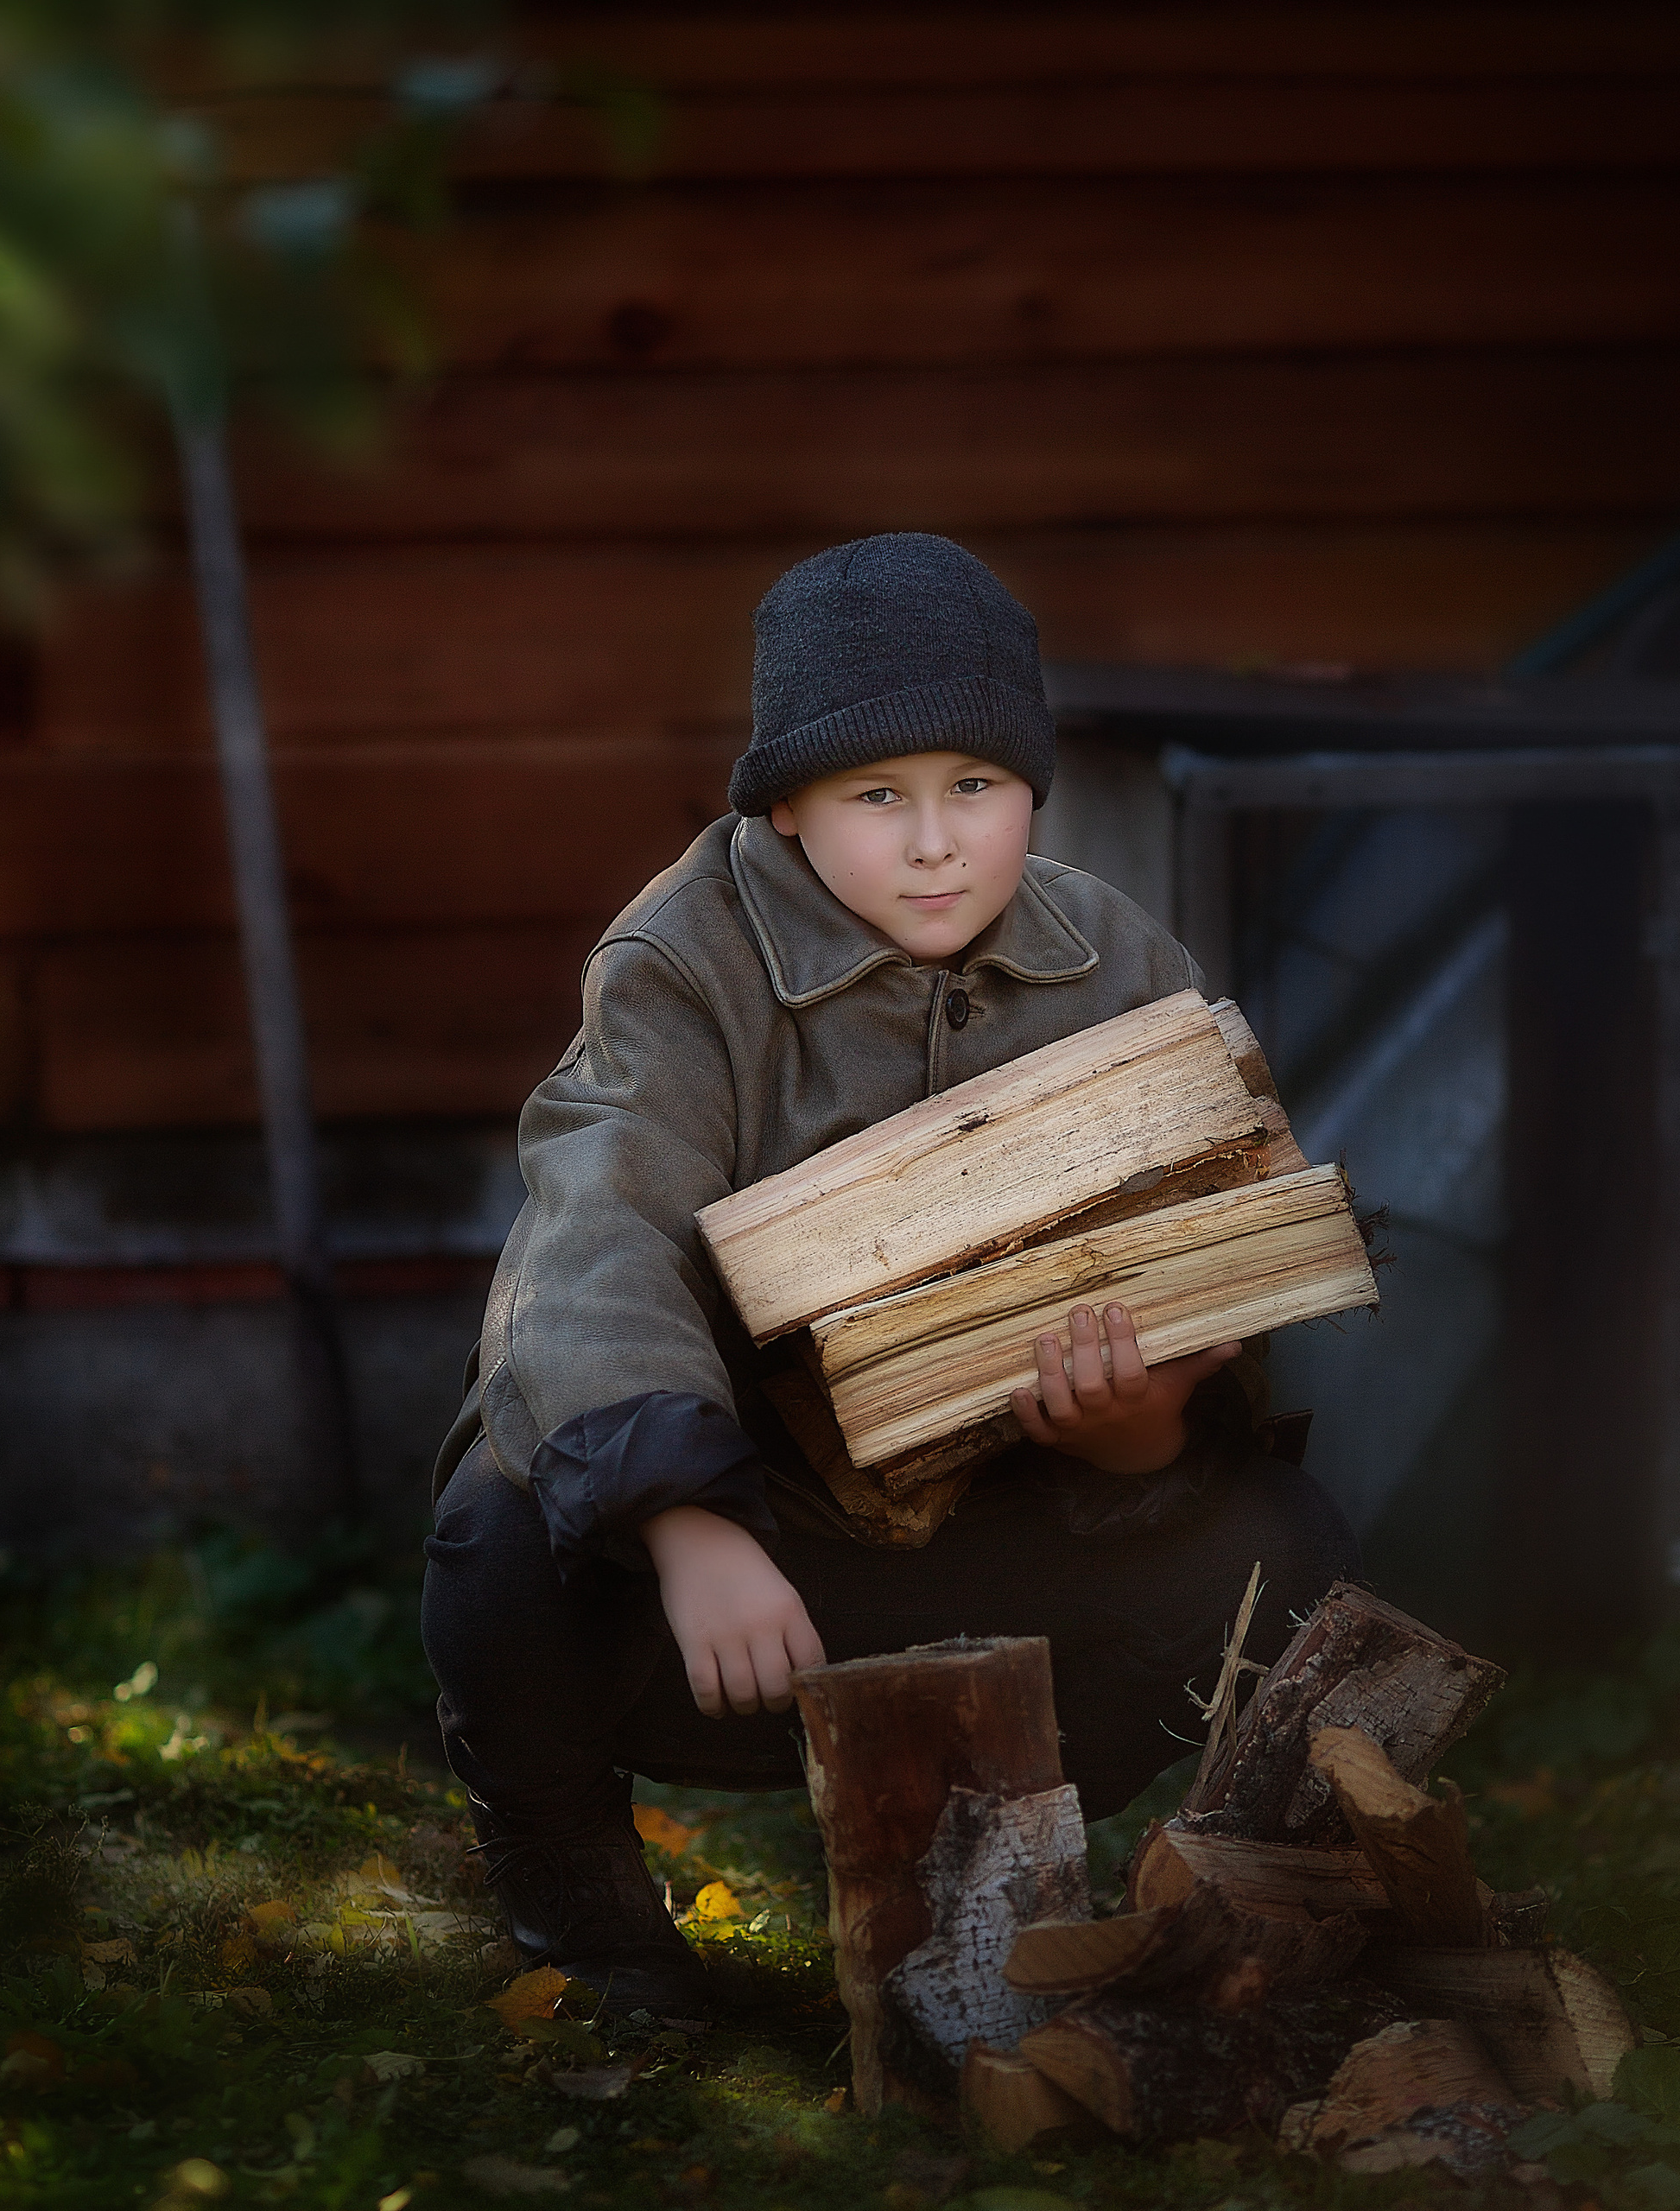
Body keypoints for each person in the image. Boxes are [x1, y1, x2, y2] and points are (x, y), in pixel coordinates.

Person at [421, 534, 1358, 2018]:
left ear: (1031, 792)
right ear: (786, 808)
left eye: (975, 789)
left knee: (1277, 1541)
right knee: (495, 1536)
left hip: (1006, 1512)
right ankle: (580, 1897)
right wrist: (683, 1521)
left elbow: (1215, 1228)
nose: (937, 844)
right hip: (755, 1543)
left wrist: (1142, 1438)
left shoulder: (1119, 958)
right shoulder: (681, 962)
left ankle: (1043, 1852)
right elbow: (599, 1230)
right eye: (878, 797)